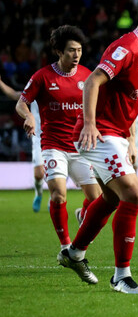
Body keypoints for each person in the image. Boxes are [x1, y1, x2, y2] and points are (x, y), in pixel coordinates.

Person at [57, 0, 138, 294]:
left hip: (117, 136)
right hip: (99, 134)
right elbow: (93, 81)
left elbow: (128, 102)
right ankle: (121, 275)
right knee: (133, 195)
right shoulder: (127, 47)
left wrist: (130, 138)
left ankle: (74, 253)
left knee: (110, 199)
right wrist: (91, 124)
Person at [16, 25, 102, 249]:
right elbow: (21, 103)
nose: (76, 55)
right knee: (58, 195)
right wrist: (29, 117)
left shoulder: (87, 76)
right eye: (71, 50)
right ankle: (66, 245)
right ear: (59, 52)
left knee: (98, 200)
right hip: (53, 145)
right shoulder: (42, 77)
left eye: (79, 50)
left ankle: (83, 214)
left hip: (81, 147)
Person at [0, 76, 43, 211]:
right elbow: (13, 94)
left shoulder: (62, 93)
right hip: (39, 138)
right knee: (38, 174)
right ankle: (39, 193)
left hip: (60, 136)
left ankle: (54, 199)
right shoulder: (34, 94)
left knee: (61, 172)